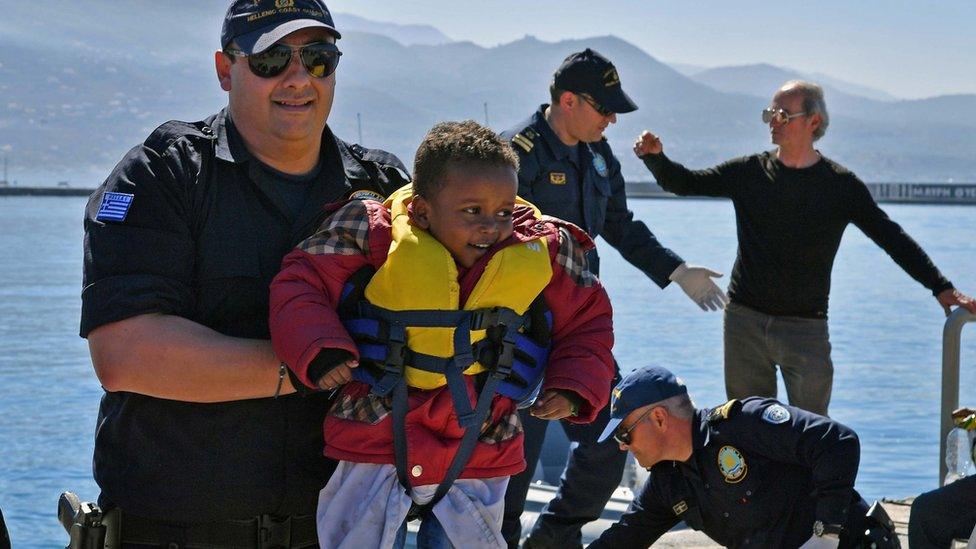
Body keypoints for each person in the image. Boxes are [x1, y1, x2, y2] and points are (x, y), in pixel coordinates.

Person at [80, 1, 408, 546]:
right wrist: (315, 367)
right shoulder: (164, 175)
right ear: (225, 69)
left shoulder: (384, 187)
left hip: (346, 531)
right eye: (272, 58)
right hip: (174, 534)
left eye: (319, 58)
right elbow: (126, 355)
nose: (298, 78)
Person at [268, 120, 616, 548]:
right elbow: (300, 282)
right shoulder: (369, 229)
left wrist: (575, 386)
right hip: (373, 433)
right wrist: (318, 349)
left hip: (484, 441)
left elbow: (589, 320)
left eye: (503, 212)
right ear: (422, 209)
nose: (491, 226)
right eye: (472, 211)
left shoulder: (546, 248)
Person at [635, 80, 976, 416]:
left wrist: (941, 288)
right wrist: (656, 159)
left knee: (812, 437)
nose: (773, 122)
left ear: (814, 122)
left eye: (783, 115)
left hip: (806, 329)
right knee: (746, 432)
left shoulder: (840, 186)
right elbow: (684, 183)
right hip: (745, 323)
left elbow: (893, 239)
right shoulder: (749, 172)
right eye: (770, 114)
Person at [499, 48, 727, 548]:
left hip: (579, 327)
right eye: (604, 108)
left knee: (609, 437)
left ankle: (554, 538)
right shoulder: (515, 156)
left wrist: (676, 270)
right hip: (516, 334)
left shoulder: (599, 157)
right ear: (567, 101)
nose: (613, 118)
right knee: (513, 464)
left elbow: (621, 226)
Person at [589, 365, 895, 548]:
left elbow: (838, 442)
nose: (623, 446)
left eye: (625, 434)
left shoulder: (744, 423)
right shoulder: (669, 483)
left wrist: (825, 535)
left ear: (658, 418)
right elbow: (623, 539)